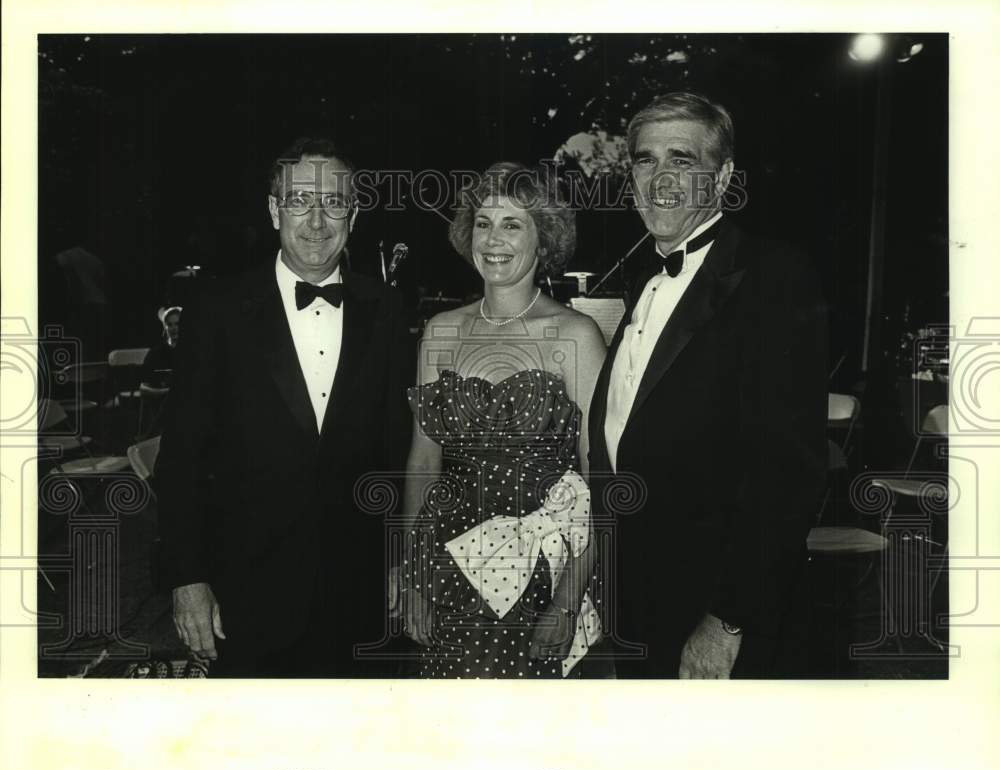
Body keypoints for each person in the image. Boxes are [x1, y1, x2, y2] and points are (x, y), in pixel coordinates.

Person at [588, 92, 828, 679]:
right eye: (646, 160)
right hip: (635, 596)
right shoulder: (644, 278)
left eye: (683, 160)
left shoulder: (773, 276)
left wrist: (727, 619)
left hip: (711, 610)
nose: (661, 178)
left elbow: (786, 472)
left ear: (721, 178)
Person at [155, 136, 410, 677]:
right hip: (244, 595)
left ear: (354, 215)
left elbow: (395, 449)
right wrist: (187, 579)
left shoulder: (387, 311)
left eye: (334, 202)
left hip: (360, 596)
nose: (317, 221)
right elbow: (180, 458)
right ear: (274, 210)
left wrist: (398, 558)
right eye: (299, 201)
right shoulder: (215, 310)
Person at [401, 162, 609, 678]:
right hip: (446, 569)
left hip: (540, 579)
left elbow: (599, 483)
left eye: (513, 224)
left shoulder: (577, 335)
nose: (493, 239)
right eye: (484, 222)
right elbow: (423, 465)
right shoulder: (441, 331)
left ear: (545, 240)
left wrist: (568, 597)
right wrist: (412, 573)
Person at [141, 305, 181, 389]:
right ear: (165, 328)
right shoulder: (155, 353)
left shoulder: (191, 350)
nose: (174, 328)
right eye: (169, 325)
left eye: (177, 324)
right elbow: (146, 379)